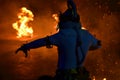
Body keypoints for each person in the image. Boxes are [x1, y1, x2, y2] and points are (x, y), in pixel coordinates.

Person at [16, 0, 101, 80]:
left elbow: (41, 42)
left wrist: (26, 46)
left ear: (63, 20)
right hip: (81, 76)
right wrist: (85, 46)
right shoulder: (86, 34)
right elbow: (98, 45)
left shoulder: (62, 35)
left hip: (64, 77)